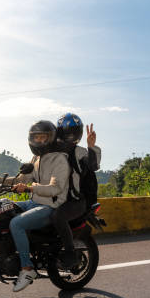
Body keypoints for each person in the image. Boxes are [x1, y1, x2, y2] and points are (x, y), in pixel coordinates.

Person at [0, 120, 70, 292]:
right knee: (3, 209)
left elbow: (55, 188)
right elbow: (20, 180)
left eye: (42, 137)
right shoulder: (36, 159)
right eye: (35, 137)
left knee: (16, 223)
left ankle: (27, 268)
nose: (38, 141)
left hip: (50, 206)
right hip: (34, 202)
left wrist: (30, 188)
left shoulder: (60, 159)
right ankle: (6, 255)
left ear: (51, 138)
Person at [50, 113, 101, 269]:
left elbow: (93, 165)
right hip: (56, 198)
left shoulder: (79, 151)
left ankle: (71, 255)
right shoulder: (53, 150)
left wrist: (91, 146)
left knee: (58, 216)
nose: (68, 132)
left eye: (71, 129)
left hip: (75, 201)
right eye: (64, 129)